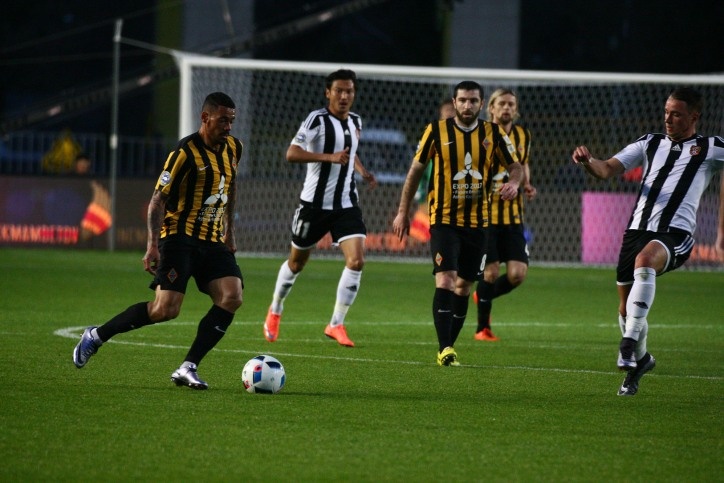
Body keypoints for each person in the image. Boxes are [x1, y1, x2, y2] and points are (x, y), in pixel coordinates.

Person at [72, 92, 244, 390]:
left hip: (213, 239)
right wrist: (152, 245)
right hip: (179, 238)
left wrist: (229, 231)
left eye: (231, 121)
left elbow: (230, 187)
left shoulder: (233, 147)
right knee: (166, 309)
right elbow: (156, 201)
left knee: (232, 296)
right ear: (205, 118)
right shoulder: (184, 153)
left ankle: (188, 367)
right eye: (222, 121)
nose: (228, 127)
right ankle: (96, 336)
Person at [572, 86, 723, 396]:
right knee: (625, 309)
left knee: (645, 261)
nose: (668, 118)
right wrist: (588, 161)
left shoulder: (710, 148)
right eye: (666, 112)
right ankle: (640, 361)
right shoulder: (649, 142)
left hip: (675, 234)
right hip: (636, 231)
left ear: (694, 117)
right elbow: (606, 169)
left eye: (676, 114)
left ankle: (627, 343)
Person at [393, 81, 523, 366]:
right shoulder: (435, 131)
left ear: (481, 104)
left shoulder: (493, 133)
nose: (467, 105)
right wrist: (403, 212)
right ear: (454, 102)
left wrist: (514, 183)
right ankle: (445, 348)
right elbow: (415, 172)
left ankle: (449, 344)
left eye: (473, 100)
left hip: (478, 223)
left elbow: (516, 166)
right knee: (446, 279)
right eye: (462, 100)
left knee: (464, 287)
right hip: (443, 220)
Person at [263, 69, 377, 348]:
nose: (344, 96)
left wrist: (362, 171)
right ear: (328, 93)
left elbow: (349, 153)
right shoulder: (317, 119)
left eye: (349, 91)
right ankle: (275, 309)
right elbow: (292, 153)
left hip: (346, 204)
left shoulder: (356, 121)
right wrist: (329, 157)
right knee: (296, 263)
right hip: (313, 206)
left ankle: (336, 323)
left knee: (357, 261)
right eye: (339, 91)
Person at [473, 89, 537, 341]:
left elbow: (523, 162)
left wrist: (527, 184)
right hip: (486, 217)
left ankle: (482, 295)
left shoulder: (523, 135)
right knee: (489, 272)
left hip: (513, 218)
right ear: (491, 108)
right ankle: (482, 328)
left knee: (517, 274)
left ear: (516, 109)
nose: (507, 108)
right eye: (502, 104)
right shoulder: (481, 134)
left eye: (511, 104)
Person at [410, 99, 456, 242]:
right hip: (433, 194)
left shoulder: (469, 137)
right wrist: (419, 193)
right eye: (447, 110)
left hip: (457, 196)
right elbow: (419, 168)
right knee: (420, 239)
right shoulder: (431, 135)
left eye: (453, 110)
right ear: (440, 113)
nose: (450, 113)